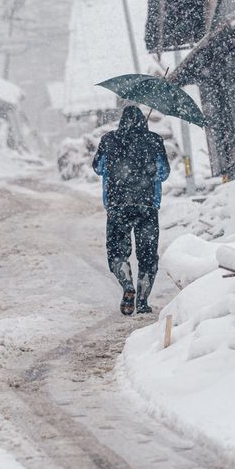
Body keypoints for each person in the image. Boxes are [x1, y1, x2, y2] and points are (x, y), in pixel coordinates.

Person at [92, 105, 169, 315]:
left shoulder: (108, 140)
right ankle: (142, 301)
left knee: (117, 252)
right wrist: (145, 161)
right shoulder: (154, 140)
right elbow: (163, 172)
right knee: (148, 255)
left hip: (117, 206)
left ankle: (127, 285)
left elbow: (98, 168)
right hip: (147, 206)